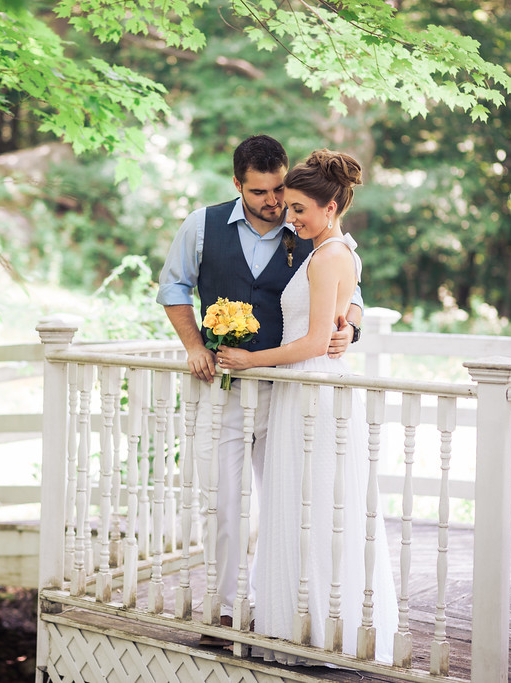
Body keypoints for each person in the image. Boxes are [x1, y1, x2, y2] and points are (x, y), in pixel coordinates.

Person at [156, 135, 364, 646]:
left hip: (289, 395)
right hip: (225, 391)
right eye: (260, 193)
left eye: (279, 191)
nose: (274, 203)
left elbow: (353, 290)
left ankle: (280, 610)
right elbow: (173, 287)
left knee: (289, 503)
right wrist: (194, 346)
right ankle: (226, 611)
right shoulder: (201, 225)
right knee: (226, 504)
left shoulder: (308, 225)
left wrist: (351, 328)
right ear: (237, 185)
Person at [216, 149, 397, 664]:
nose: (289, 218)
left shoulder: (332, 255)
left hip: (311, 387)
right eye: (288, 207)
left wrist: (251, 360)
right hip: (303, 389)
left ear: (332, 205)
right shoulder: (328, 250)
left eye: (299, 209)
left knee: (316, 507)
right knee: (301, 506)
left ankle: (318, 628)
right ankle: (299, 620)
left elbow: (317, 340)